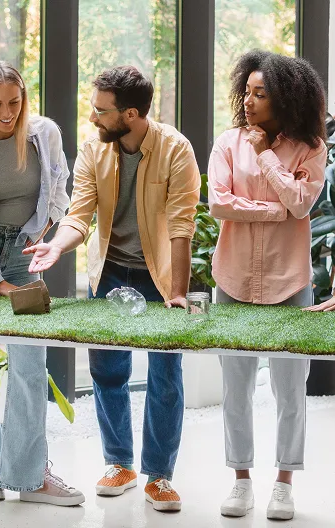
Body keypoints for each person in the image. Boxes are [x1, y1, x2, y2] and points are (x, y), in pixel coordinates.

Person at [24, 65, 200, 512]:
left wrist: (178, 292)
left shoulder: (176, 150)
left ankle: (159, 476)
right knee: (107, 371)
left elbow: (182, 226)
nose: (92, 118)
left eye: (101, 111)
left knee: (165, 376)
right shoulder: (93, 149)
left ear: (133, 114)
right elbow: (79, 213)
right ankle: (118, 462)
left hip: (159, 276)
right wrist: (55, 247)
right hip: (109, 273)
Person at [0, 61, 83, 506]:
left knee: (28, 364)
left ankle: (29, 476)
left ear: (25, 98)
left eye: (14, 102)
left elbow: (60, 185)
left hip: (24, 255)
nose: (7, 112)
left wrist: (43, 228)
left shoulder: (45, 134)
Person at [209, 50, 326, 521]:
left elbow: (301, 204)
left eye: (261, 93)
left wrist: (265, 159)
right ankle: (240, 480)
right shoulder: (227, 142)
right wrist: (275, 208)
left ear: (286, 99)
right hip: (233, 279)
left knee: (289, 390)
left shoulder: (310, 148)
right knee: (235, 390)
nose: (250, 100)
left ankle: (283, 483)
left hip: (290, 283)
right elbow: (219, 204)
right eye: (248, 91)